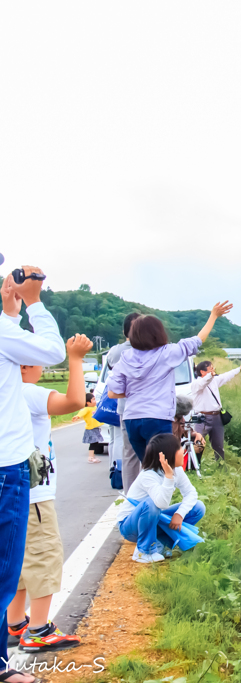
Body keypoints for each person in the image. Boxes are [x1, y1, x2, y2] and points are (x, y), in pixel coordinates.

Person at [0, 262, 66, 683]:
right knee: (5, 571)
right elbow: (53, 351)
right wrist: (34, 302)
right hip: (6, 467)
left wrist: (9, 310)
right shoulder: (4, 334)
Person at [7, 335, 92, 654]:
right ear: (26, 363)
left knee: (16, 560)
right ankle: (39, 630)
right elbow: (73, 402)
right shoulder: (26, 392)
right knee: (43, 556)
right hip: (33, 494)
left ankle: (16, 623)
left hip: (12, 491)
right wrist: (75, 359)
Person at [106, 302, 232, 470]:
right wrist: (213, 316)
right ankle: (171, 495)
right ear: (158, 333)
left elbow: (113, 393)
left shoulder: (126, 357)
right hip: (157, 418)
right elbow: (198, 340)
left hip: (132, 420)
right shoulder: (166, 352)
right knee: (165, 469)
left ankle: (140, 496)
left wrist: (137, 392)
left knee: (148, 469)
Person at [117, 433, 206, 564]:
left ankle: (161, 545)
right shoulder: (148, 475)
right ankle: (143, 551)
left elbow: (191, 493)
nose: (183, 451)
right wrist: (169, 477)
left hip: (154, 518)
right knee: (151, 504)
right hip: (130, 526)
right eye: (179, 449)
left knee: (198, 508)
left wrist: (180, 514)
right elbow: (161, 503)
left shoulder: (177, 470)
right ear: (168, 454)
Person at [105, 312, 141, 490]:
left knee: (128, 452)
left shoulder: (115, 352)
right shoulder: (149, 349)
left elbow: (112, 370)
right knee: (150, 450)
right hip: (146, 408)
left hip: (124, 407)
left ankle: (129, 492)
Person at [190, 360, 241, 462]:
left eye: (213, 368)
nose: (213, 370)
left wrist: (239, 369)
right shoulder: (196, 383)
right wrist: (210, 376)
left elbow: (226, 376)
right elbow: (203, 383)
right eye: (210, 368)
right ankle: (194, 467)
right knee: (197, 444)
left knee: (219, 446)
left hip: (216, 417)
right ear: (202, 372)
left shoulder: (214, 380)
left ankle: (221, 468)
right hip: (200, 417)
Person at [71, 393, 103, 463]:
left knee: (96, 443)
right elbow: (81, 413)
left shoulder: (95, 407)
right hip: (90, 429)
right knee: (93, 443)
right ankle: (90, 458)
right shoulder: (87, 409)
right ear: (88, 403)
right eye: (93, 399)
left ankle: (93, 456)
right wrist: (77, 416)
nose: (95, 401)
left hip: (96, 428)